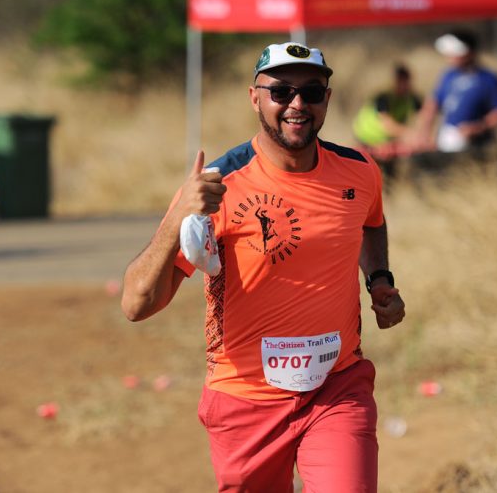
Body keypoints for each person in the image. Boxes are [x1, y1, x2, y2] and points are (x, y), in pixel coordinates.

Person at [121, 41, 406, 492]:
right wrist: (178, 218)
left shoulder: (359, 171)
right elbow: (137, 305)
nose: (297, 104)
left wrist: (379, 280)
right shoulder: (218, 186)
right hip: (246, 399)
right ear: (255, 98)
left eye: (311, 92)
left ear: (327, 100)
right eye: (281, 91)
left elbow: (372, 222)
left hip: (336, 387)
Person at [411, 29, 497, 159]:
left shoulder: (488, 79)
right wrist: (424, 135)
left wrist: (478, 127)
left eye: (455, 52)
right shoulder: (448, 76)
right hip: (447, 141)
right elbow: (432, 105)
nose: (450, 56)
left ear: (470, 53)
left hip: (477, 146)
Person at [352, 63, 422, 181]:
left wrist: (421, 134)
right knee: (367, 173)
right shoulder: (384, 98)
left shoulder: (412, 98)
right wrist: (410, 134)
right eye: (400, 81)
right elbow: (387, 124)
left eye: (406, 81)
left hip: (387, 141)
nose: (403, 85)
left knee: (390, 174)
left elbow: (424, 114)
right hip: (367, 138)